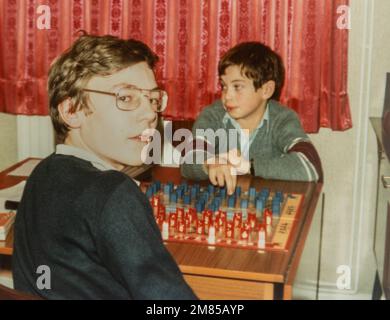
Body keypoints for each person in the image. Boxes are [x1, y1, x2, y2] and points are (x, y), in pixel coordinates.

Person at [12, 34, 197, 300]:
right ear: (72, 111)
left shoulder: (42, 173)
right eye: (126, 97)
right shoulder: (113, 192)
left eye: (153, 99)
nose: (149, 114)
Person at [180, 42, 323, 195]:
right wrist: (209, 163)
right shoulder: (212, 116)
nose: (227, 96)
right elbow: (188, 160)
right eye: (224, 86)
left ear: (266, 90)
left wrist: (250, 166)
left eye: (237, 87)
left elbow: (310, 166)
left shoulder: (283, 119)